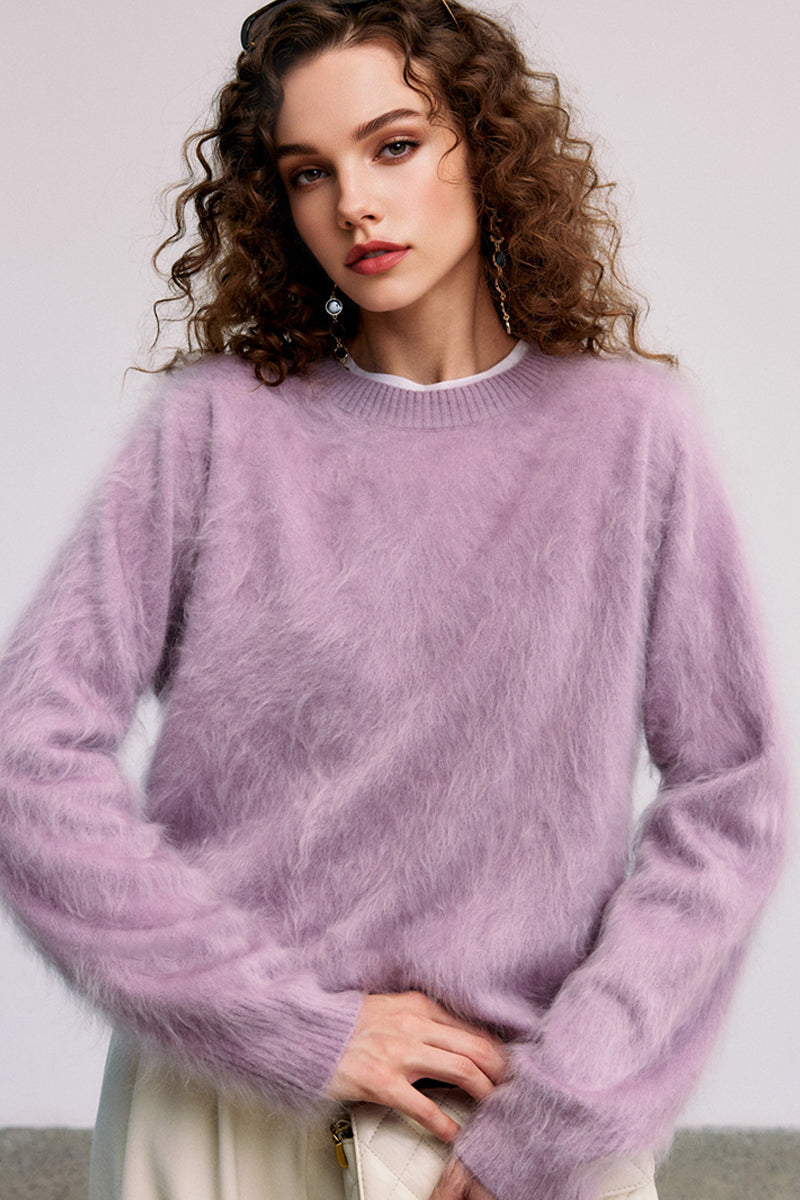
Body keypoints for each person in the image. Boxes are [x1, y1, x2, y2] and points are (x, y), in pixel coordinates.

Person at [0, 1, 786, 1198]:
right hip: (229, 1117)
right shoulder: (214, 429)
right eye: (307, 172)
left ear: (485, 145)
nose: (354, 205)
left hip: (510, 1121)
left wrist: (569, 1102)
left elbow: (732, 797)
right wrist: (282, 1023)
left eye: (394, 145)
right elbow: (26, 755)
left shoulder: (630, 434)